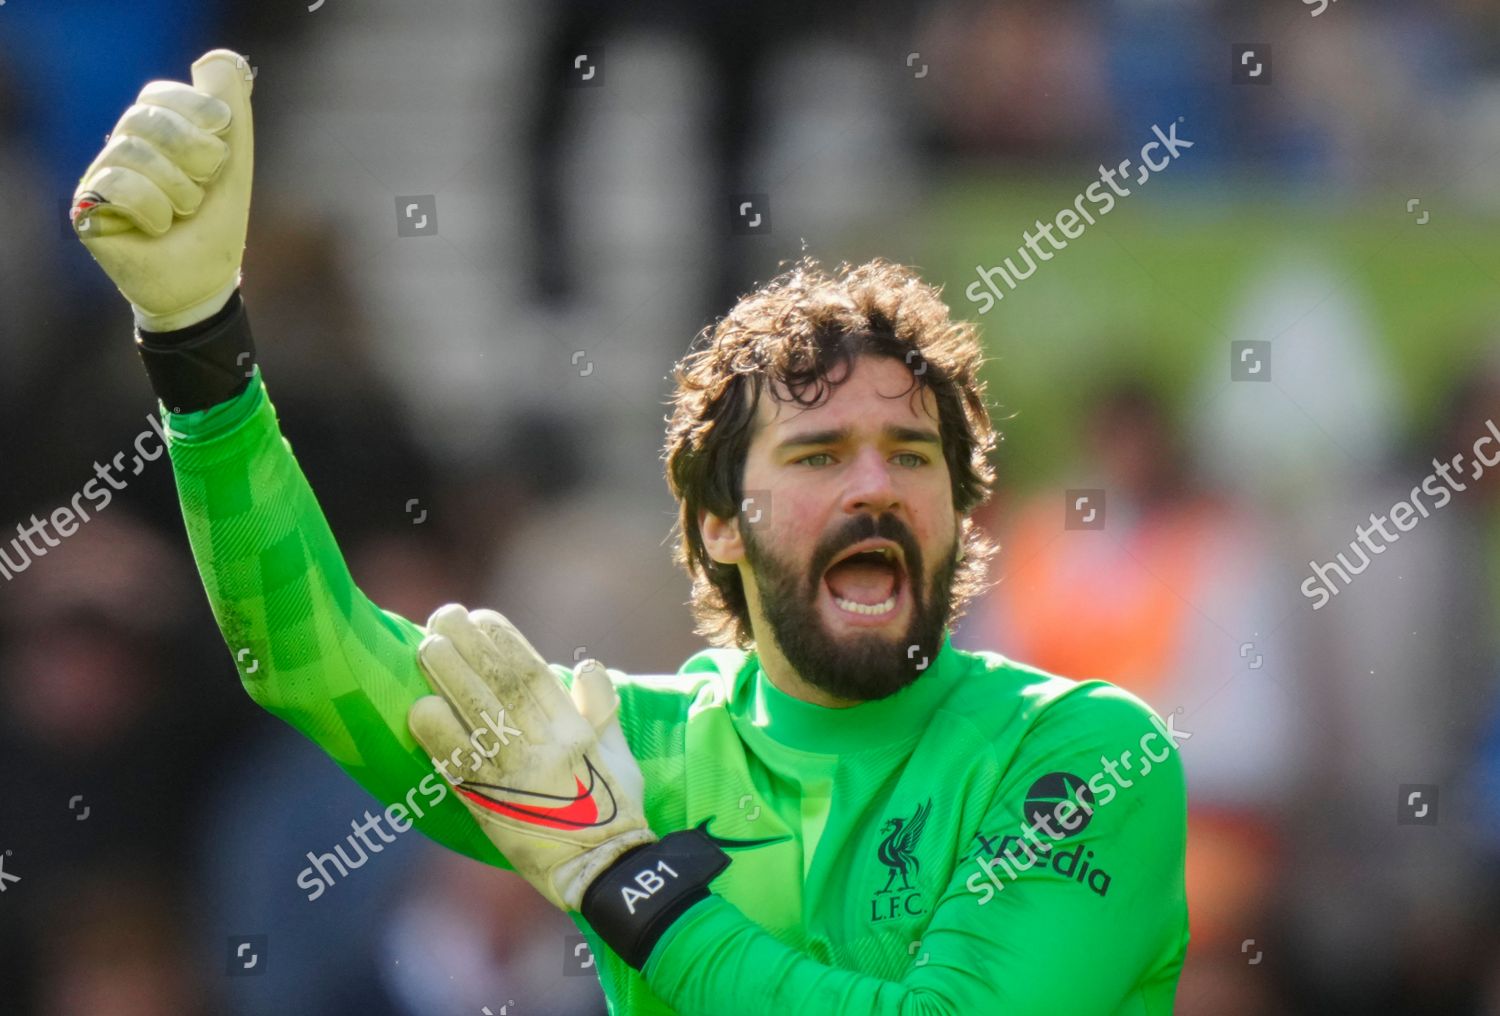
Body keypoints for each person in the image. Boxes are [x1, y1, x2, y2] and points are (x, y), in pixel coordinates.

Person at [70, 49, 1189, 1015]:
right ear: (720, 524)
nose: (874, 488)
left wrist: (622, 871)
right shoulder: (625, 751)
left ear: (961, 506)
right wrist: (196, 345)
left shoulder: (1084, 752)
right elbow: (311, 651)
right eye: (815, 455)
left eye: (912, 456)